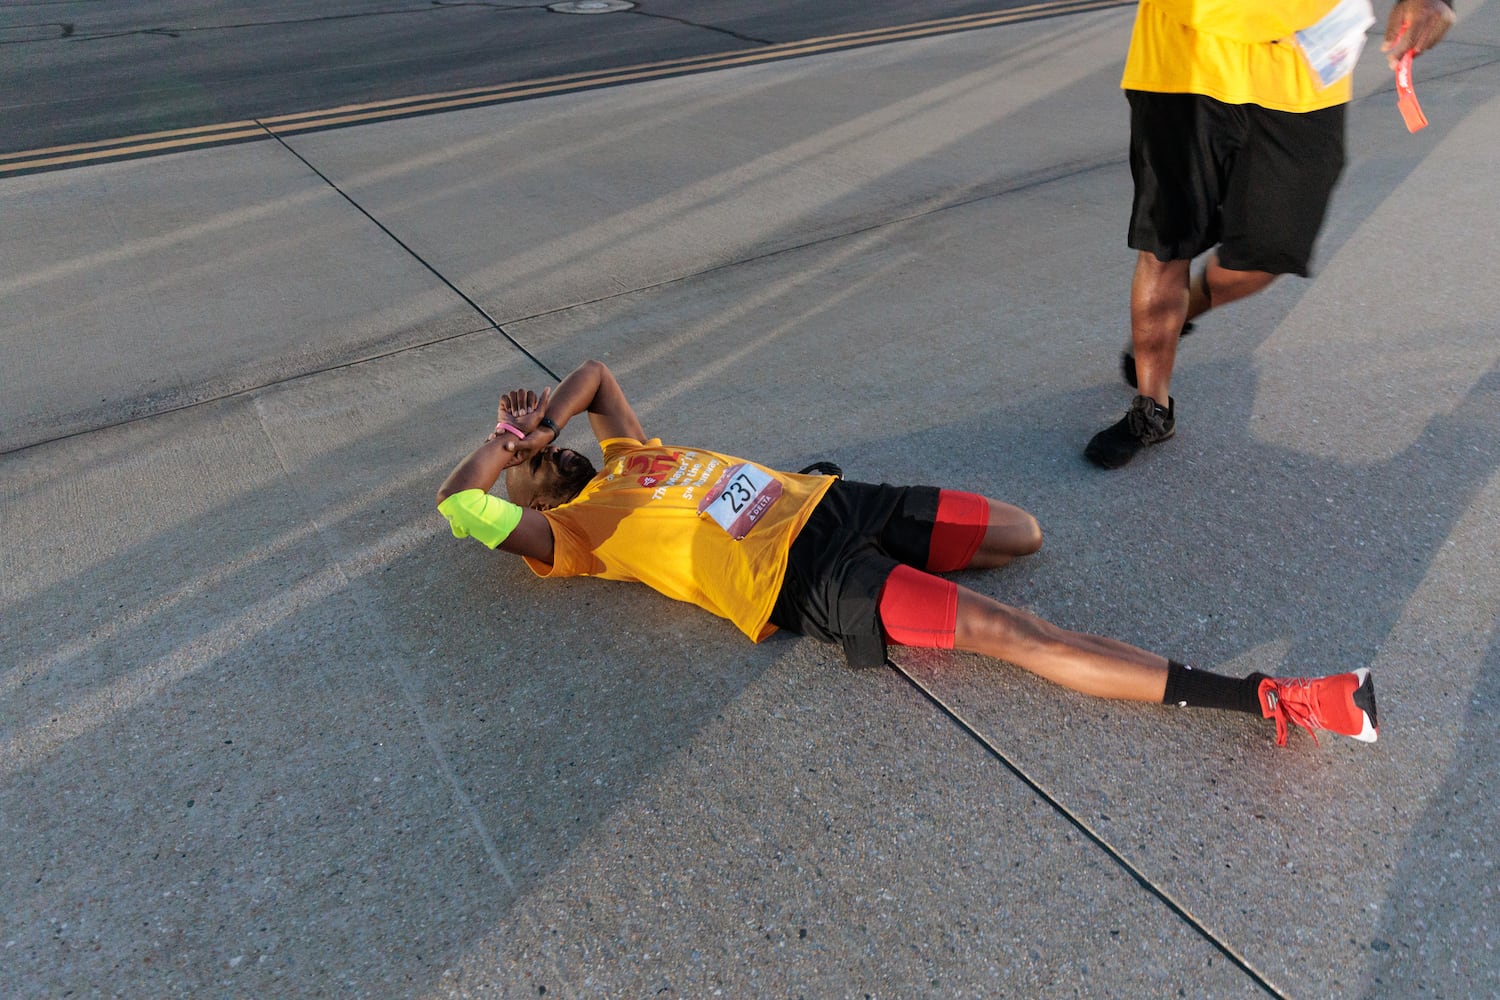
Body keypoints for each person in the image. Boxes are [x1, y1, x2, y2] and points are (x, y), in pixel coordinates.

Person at [437, 360, 1376, 746]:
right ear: (520, 502)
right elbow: (456, 504)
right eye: (524, 471)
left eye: (536, 453)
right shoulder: (570, 537)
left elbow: (596, 374)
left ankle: (926, 580)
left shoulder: (627, 456)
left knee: (1021, 535)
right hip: (814, 578)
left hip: (843, 502)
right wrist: (499, 446)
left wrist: (544, 421)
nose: (536, 461)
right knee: (1016, 632)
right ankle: (1267, 696)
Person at [1085, 0, 1457, 468]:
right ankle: (1152, 408)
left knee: (1271, 252)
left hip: (1303, 67)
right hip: (1183, 56)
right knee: (1164, 246)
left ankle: (1188, 308)